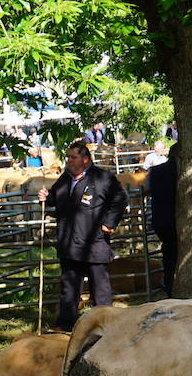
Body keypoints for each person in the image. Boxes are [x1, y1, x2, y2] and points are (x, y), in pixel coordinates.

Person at [37, 140, 127, 331]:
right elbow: (56, 198)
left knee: (99, 288)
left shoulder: (103, 178)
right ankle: (66, 324)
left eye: (73, 157)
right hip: (69, 243)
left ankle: (102, 325)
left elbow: (121, 198)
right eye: (68, 157)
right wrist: (46, 197)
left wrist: (109, 222)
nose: (68, 161)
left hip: (94, 242)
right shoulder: (65, 179)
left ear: (85, 160)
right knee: (69, 287)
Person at [148, 143, 178, 297]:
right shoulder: (178, 172)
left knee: (168, 251)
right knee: (174, 252)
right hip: (174, 219)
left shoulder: (156, 171)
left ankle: (168, 282)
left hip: (159, 219)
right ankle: (171, 286)